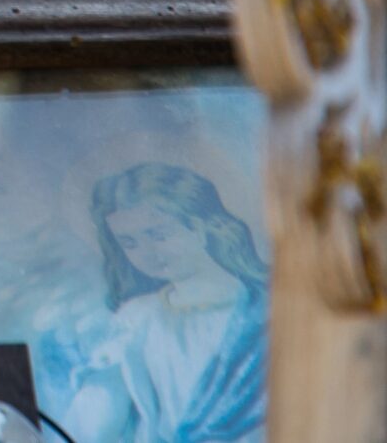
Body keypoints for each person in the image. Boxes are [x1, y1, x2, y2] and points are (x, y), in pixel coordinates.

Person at [55, 162, 267, 442]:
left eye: (158, 234)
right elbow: (97, 414)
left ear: (198, 227)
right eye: (129, 243)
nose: (148, 252)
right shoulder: (137, 319)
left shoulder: (265, 312)